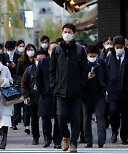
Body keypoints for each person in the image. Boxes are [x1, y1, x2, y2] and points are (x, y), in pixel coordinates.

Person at [49, 23, 89, 152]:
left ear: (74, 34)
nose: (66, 34)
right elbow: (52, 70)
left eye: (69, 32)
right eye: (64, 31)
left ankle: (73, 143)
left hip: (76, 91)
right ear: (62, 33)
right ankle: (65, 136)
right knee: (61, 116)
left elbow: (85, 70)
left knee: (76, 118)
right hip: (60, 90)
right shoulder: (57, 50)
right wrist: (54, 84)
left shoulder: (79, 50)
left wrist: (81, 84)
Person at [36, 42, 62, 149]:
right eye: (52, 49)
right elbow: (38, 77)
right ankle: (47, 138)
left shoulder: (62, 61)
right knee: (45, 117)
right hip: (46, 94)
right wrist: (41, 90)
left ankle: (57, 140)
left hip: (59, 94)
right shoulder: (43, 62)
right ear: (48, 50)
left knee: (59, 118)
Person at [82, 45, 107, 148]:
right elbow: (80, 79)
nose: (92, 57)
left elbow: (106, 76)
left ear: (97, 55)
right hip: (86, 94)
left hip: (99, 94)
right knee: (86, 118)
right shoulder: (83, 63)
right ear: (87, 54)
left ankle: (101, 140)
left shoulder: (101, 63)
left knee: (100, 116)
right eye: (90, 55)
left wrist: (106, 89)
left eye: (94, 55)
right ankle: (89, 141)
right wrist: (87, 77)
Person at [21, 50, 46, 145]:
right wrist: (26, 96)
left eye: (43, 59)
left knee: (45, 119)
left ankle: (47, 137)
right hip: (33, 98)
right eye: (39, 59)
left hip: (44, 98)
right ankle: (35, 137)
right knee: (34, 120)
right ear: (35, 59)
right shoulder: (30, 69)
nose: (41, 61)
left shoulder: (48, 69)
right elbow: (24, 83)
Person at [106, 36, 128, 145]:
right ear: (114, 47)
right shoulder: (110, 58)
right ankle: (114, 130)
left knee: (126, 115)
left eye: (121, 47)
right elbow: (106, 73)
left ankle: (124, 136)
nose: (119, 49)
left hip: (126, 91)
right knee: (113, 112)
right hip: (113, 91)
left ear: (124, 46)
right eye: (117, 47)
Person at [14, 44, 36, 133]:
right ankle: (25, 125)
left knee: (28, 107)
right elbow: (17, 74)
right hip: (24, 86)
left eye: (31, 49)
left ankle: (27, 125)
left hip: (34, 87)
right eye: (28, 50)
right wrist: (22, 80)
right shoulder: (21, 61)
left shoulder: (36, 61)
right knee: (23, 105)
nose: (30, 52)